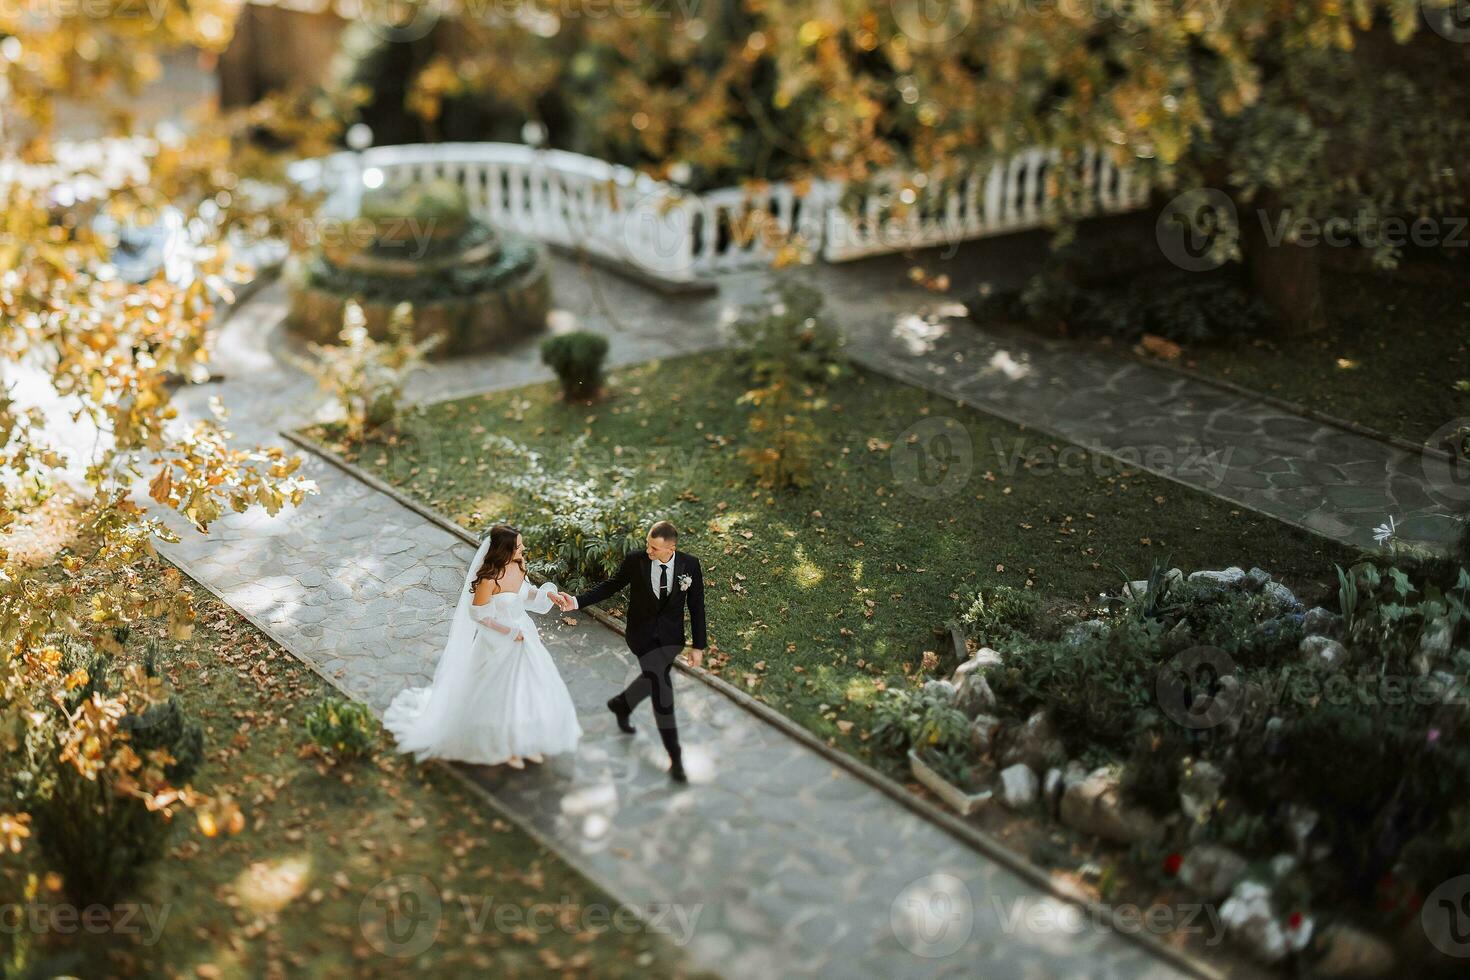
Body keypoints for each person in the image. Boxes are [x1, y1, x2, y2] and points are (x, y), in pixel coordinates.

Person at [554, 520, 706, 783]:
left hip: (671, 640)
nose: (649, 551)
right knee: (661, 690)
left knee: (653, 678)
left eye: (655, 548)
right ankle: (676, 757)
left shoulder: (689, 565)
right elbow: (610, 586)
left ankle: (621, 705)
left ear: (672, 547)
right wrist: (576, 602)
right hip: (642, 636)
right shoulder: (636, 561)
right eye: (648, 544)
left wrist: (698, 645)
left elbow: (697, 606)